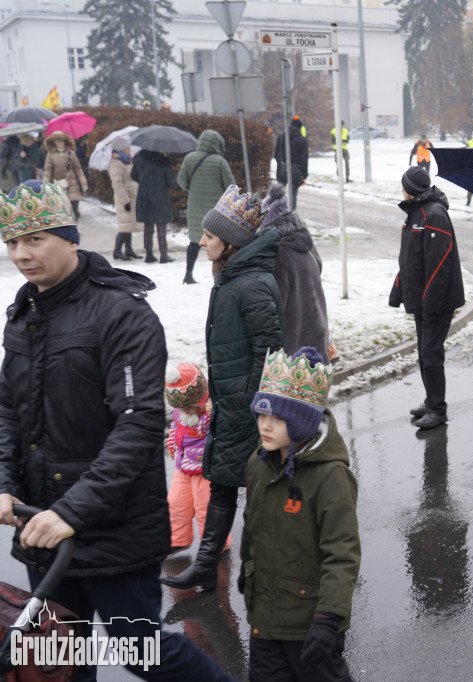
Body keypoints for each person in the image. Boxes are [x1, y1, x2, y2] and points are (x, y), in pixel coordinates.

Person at [0, 180, 235, 682]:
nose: (21, 254)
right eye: (12, 242)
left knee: (140, 651)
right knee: (58, 653)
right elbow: (8, 412)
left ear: (70, 237)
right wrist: (4, 482)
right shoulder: (23, 315)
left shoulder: (121, 313)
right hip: (42, 528)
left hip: (115, 528)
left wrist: (72, 512)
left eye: (35, 239)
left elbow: (139, 425)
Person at [161, 185, 285, 591]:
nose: (202, 242)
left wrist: (249, 403)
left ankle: (270, 571)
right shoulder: (232, 277)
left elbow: (269, 353)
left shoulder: (250, 284)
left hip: (246, 407)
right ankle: (207, 565)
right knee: (223, 480)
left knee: (254, 488)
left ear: (230, 242)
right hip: (232, 403)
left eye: (209, 236)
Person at [242, 347, 360, 682]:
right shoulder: (258, 463)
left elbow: (342, 553)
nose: (264, 426)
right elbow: (253, 526)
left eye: (277, 419)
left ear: (301, 422)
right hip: (264, 617)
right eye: (261, 415)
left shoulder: (330, 476)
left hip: (308, 623)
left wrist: (328, 617)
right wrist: (247, 568)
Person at [389, 166, 465, 430]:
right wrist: (398, 289)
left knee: (431, 353)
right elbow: (409, 258)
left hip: (436, 300)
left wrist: (430, 303)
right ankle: (431, 400)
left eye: (403, 185)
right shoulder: (416, 213)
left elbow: (440, 264)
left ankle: (437, 409)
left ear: (409, 188)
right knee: (424, 352)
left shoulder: (434, 215)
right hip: (423, 298)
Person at [165, 363, 229, 555]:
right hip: (183, 468)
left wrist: (213, 412)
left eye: (190, 407)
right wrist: (171, 443)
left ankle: (216, 543)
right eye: (181, 407)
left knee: (205, 509)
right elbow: (176, 428)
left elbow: (224, 428)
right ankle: (177, 540)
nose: (186, 411)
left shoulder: (210, 413)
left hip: (205, 470)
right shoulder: (180, 411)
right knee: (176, 505)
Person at [260, 183, 331, 358]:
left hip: (294, 350)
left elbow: (276, 307)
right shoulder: (305, 244)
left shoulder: (278, 254)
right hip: (318, 337)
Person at [178, 129, 235, 285]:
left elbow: (181, 181)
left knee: (195, 241)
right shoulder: (220, 162)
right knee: (219, 243)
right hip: (216, 211)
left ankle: (188, 274)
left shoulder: (189, 159)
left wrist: (194, 188)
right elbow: (231, 187)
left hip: (195, 207)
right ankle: (219, 275)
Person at [131, 149, 177, 263]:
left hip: (144, 195)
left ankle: (149, 253)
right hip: (160, 196)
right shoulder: (163, 160)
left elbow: (133, 175)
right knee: (161, 226)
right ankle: (163, 254)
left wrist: (143, 180)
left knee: (148, 226)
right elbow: (172, 182)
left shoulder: (139, 158)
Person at [107, 137, 143, 260]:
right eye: (127, 148)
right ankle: (117, 251)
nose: (129, 150)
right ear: (122, 148)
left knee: (130, 225)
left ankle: (128, 250)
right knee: (124, 226)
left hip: (131, 197)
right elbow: (117, 184)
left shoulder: (126, 161)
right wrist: (125, 201)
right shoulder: (116, 163)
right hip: (124, 199)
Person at [42, 131, 88, 220]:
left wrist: (83, 183)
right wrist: (45, 185)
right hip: (58, 185)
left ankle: (74, 230)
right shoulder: (50, 155)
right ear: (54, 143)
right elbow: (48, 171)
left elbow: (78, 170)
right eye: (58, 141)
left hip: (73, 185)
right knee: (62, 211)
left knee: (73, 209)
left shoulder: (71, 154)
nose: (60, 143)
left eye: (62, 141)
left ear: (65, 142)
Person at [275, 117, 309, 208]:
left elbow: (276, 154)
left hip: (282, 169)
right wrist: (304, 175)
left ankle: (278, 214)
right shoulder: (302, 140)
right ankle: (291, 215)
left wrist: (280, 167)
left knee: (279, 194)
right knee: (293, 195)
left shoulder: (281, 137)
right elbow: (304, 159)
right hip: (296, 170)